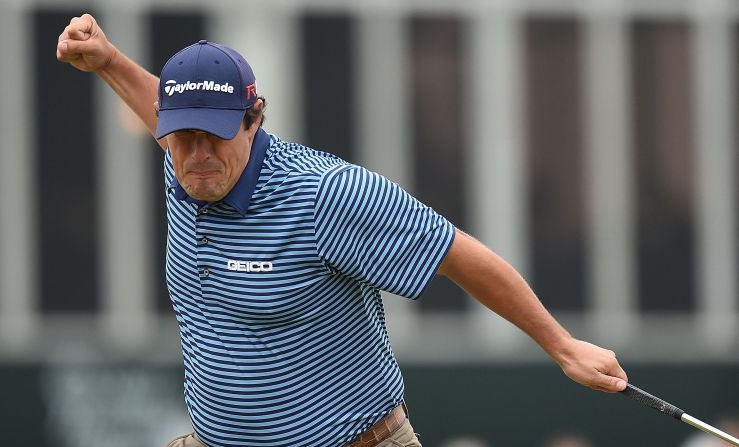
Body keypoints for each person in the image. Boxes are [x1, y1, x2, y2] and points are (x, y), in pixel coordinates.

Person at [56, 14, 629, 447]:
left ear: (254, 121)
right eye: (183, 136)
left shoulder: (327, 194)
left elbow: (458, 254)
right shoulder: (186, 159)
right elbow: (160, 106)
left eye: (215, 134)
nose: (198, 154)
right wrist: (107, 60)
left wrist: (563, 347)